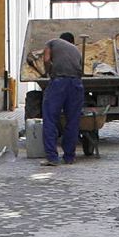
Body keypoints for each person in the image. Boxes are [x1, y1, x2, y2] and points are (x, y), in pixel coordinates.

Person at [40, 31, 84, 166]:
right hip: (76, 84)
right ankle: (69, 157)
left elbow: (46, 59)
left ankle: (52, 158)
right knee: (73, 121)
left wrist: (47, 72)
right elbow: (80, 69)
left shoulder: (51, 42)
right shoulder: (76, 50)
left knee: (50, 118)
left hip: (59, 83)